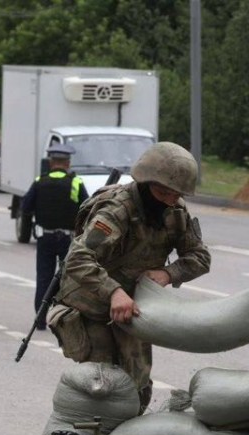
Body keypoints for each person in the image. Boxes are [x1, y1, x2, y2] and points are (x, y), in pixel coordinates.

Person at [48, 142, 211, 413]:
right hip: (93, 307)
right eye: (163, 192)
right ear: (145, 184)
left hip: (133, 309)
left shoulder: (176, 212)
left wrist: (168, 273)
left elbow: (200, 258)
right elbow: (78, 259)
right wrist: (113, 292)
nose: (170, 200)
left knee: (138, 386)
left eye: (176, 194)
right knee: (102, 386)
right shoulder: (116, 210)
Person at [21, 143, 89, 330]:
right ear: (67, 163)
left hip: (45, 238)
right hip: (67, 239)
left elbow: (25, 208)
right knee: (67, 279)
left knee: (44, 277)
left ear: (51, 163)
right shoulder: (75, 183)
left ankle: (40, 320)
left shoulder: (39, 181)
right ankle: (64, 318)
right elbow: (87, 209)